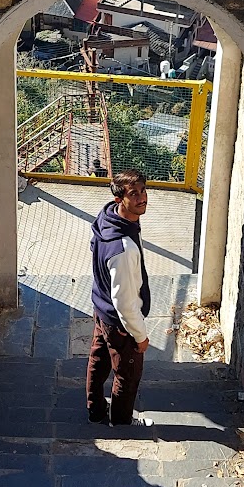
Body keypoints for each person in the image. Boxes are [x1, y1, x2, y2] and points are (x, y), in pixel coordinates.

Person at [87, 169, 151, 426]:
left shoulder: (107, 219)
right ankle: (122, 424)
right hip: (119, 323)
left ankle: (95, 411)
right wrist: (140, 336)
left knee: (98, 360)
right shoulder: (123, 250)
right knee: (127, 374)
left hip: (101, 310)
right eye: (133, 194)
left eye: (143, 191)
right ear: (119, 200)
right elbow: (124, 302)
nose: (142, 198)